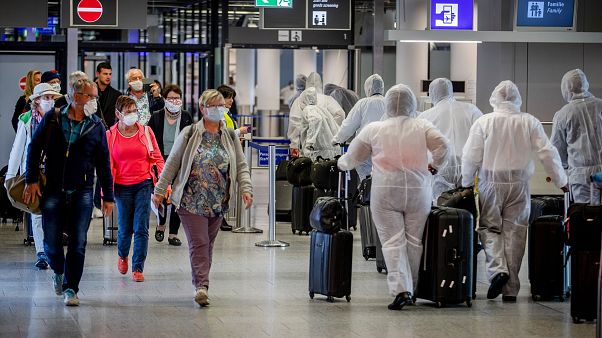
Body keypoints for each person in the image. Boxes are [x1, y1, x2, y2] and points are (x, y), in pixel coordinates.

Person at [338, 84, 451, 310]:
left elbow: (352, 157)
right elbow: (443, 146)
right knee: (414, 240)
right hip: (419, 191)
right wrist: (435, 166)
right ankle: (412, 286)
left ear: (388, 104)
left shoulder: (374, 129)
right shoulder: (423, 125)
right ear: (412, 103)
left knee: (392, 241)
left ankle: (402, 289)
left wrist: (342, 164)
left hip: (386, 191)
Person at [462, 80, 568, 302]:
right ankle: (510, 289)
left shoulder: (484, 122)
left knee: (489, 228)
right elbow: (547, 152)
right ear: (517, 98)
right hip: (519, 185)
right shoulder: (529, 122)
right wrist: (561, 181)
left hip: (490, 182)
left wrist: (465, 180)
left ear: (495, 98)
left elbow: (471, 155)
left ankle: (498, 270)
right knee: (516, 233)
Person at [152, 89, 253, 307]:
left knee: (207, 245)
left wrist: (246, 188)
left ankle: (201, 281)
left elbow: (241, 165)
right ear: (202, 109)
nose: (219, 109)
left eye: (221, 105)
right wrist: (160, 190)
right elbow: (173, 163)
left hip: (218, 202)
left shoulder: (230, 135)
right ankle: (201, 286)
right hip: (190, 201)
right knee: (199, 243)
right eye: (214, 105)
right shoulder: (190, 133)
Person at [23, 78, 114, 306]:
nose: (95, 100)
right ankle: (58, 269)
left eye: (95, 96)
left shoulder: (96, 126)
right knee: (51, 242)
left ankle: (71, 288)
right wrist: (32, 179)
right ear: (75, 96)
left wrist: (108, 196)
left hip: (82, 190)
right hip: (53, 189)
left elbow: (104, 162)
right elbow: (33, 148)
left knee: (78, 241)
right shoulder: (53, 119)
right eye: (90, 96)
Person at [107, 96, 164, 282]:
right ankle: (122, 254)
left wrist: (164, 185)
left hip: (144, 183)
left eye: (134, 111)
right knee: (125, 228)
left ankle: (138, 267)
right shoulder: (111, 135)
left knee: (141, 227)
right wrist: (104, 193)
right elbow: (106, 166)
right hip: (121, 186)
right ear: (118, 114)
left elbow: (157, 158)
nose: (132, 115)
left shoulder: (146, 132)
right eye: (128, 111)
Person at [6, 83, 61, 269]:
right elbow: (17, 148)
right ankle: (41, 252)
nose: (50, 101)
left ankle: (51, 248)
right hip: (33, 173)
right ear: (36, 100)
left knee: (53, 212)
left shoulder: (59, 119)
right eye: (46, 98)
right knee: (37, 212)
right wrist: (11, 176)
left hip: (54, 173)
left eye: (52, 98)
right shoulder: (26, 120)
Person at [419, 78, 483, 201]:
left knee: (442, 209)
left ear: (432, 93)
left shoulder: (425, 116)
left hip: (439, 168)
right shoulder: (471, 110)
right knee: (468, 206)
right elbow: (483, 137)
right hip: (468, 167)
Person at [148, 84, 193, 245]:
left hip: (180, 161)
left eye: (177, 98)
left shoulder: (186, 117)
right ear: (165, 100)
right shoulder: (156, 117)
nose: (174, 101)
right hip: (161, 161)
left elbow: (191, 139)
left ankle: (173, 233)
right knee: (161, 194)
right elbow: (150, 140)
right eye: (171, 98)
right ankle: (160, 225)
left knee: (176, 197)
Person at [551, 69, 602, 204]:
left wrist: (565, 172)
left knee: (586, 219)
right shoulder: (600, 106)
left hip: (581, 178)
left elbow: (556, 151)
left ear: (566, 88)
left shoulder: (563, 114)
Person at [332, 74, 386, 180]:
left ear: (368, 88)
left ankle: (367, 194)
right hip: (385, 149)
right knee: (383, 180)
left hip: (366, 149)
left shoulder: (363, 103)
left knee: (366, 181)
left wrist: (336, 139)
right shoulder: (388, 102)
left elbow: (349, 125)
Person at [288, 72, 345, 157]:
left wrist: (294, 150)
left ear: (307, 84)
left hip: (306, 148)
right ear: (321, 84)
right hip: (327, 148)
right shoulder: (328, 100)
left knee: (306, 168)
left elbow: (294, 126)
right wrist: (328, 127)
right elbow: (340, 114)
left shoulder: (299, 101)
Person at [299, 87, 341, 161]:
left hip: (318, 152)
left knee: (317, 171)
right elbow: (335, 127)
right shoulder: (321, 110)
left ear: (304, 99)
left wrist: (310, 143)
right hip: (330, 150)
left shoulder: (308, 109)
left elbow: (316, 120)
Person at [95, 62, 121, 127]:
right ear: (97, 74)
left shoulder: (117, 95)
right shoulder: (89, 93)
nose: (108, 77)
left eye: (110, 74)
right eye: (105, 74)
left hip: (109, 131)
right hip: (92, 130)